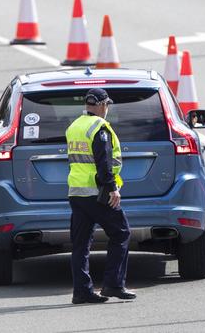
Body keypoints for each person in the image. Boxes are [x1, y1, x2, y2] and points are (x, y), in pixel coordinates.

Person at [65, 88, 136, 304]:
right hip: (97, 192)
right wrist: (112, 187)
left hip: (77, 193)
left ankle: (81, 292)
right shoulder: (100, 127)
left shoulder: (74, 126)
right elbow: (103, 162)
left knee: (81, 244)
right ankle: (113, 285)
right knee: (121, 233)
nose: (108, 109)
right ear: (102, 104)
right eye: (108, 104)